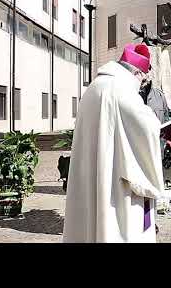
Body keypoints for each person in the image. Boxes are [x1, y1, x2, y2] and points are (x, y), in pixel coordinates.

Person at [63, 43, 164, 243]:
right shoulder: (123, 90)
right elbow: (148, 128)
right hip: (116, 184)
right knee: (117, 227)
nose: (141, 84)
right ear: (135, 72)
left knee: (91, 224)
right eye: (142, 79)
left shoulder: (94, 87)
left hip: (92, 174)